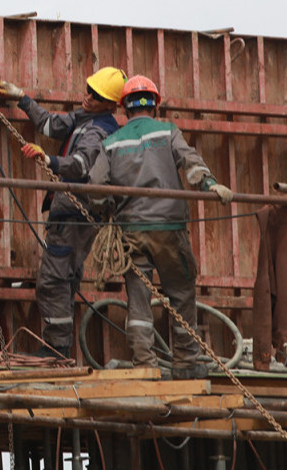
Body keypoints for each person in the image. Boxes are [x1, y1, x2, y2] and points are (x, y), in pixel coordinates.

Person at [87, 76, 232, 378]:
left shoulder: (112, 142)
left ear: (123, 107)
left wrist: (107, 211)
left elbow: (96, 189)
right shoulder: (168, 131)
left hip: (132, 233)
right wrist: (211, 184)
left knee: (138, 298)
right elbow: (190, 162)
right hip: (169, 229)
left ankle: (144, 364)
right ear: (155, 104)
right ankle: (185, 363)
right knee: (180, 293)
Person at [0, 66, 125, 362]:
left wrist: (48, 159)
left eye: (96, 95)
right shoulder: (84, 118)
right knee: (63, 279)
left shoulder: (99, 131)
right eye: (89, 89)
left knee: (54, 280)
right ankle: (59, 348)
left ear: (110, 104)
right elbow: (52, 125)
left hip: (76, 216)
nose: (88, 96)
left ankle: (56, 349)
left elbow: (80, 166)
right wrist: (22, 98)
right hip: (70, 214)